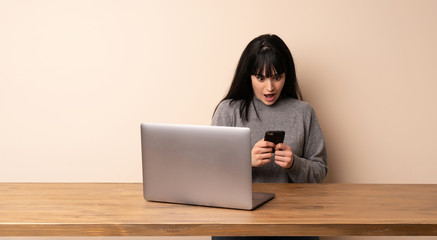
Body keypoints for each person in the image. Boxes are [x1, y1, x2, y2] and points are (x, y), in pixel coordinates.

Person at [211, 34, 327, 240]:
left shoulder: (303, 112)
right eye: (261, 78)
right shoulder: (228, 111)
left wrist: (295, 164)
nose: (270, 88)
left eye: (277, 77)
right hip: (238, 217)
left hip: (293, 217)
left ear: (287, 75)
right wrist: (245, 162)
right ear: (248, 76)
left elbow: (320, 171)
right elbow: (209, 174)